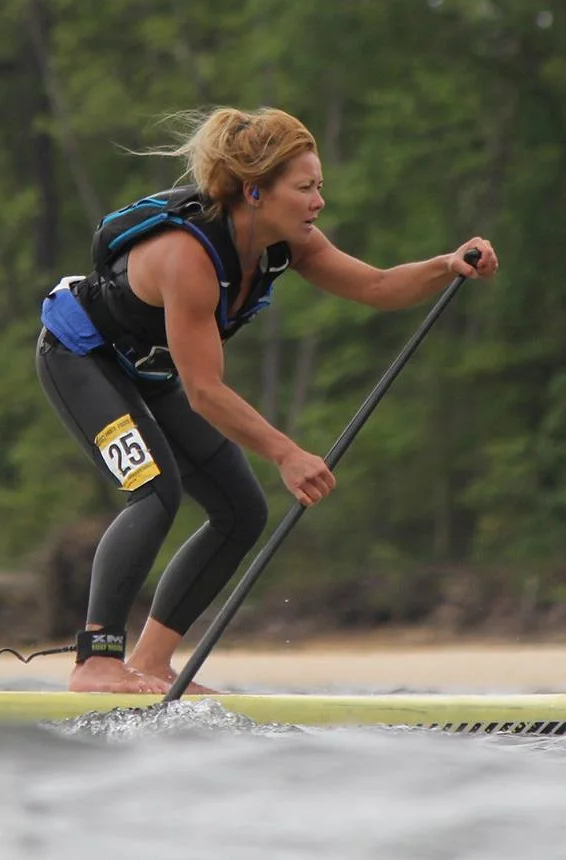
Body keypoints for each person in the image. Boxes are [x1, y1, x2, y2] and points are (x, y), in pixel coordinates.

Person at [37, 106, 499, 694]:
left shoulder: (288, 243)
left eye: (319, 188)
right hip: (79, 358)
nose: (318, 202)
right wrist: (286, 453)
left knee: (240, 509)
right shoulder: (189, 256)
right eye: (305, 188)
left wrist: (445, 265)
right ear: (255, 193)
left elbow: (376, 286)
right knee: (154, 490)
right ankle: (96, 662)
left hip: (148, 372)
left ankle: (151, 663)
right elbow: (205, 391)